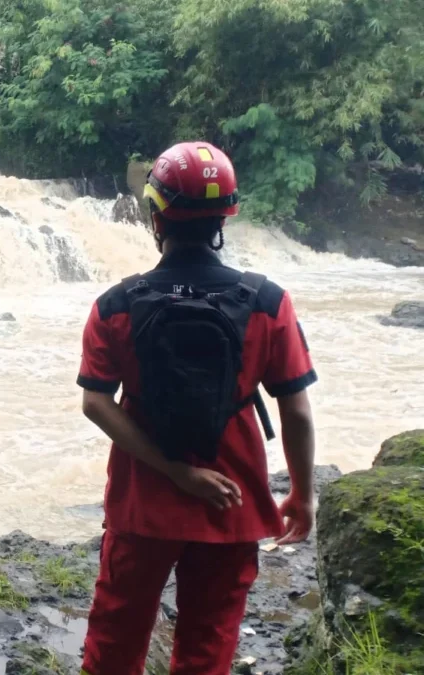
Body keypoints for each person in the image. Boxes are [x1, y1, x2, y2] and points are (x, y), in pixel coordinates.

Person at [76, 142, 318, 675]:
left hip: (143, 502)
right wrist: (302, 493)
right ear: (225, 217)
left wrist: (176, 473)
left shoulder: (115, 305)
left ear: (155, 215)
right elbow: (296, 412)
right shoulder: (267, 302)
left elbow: (97, 402)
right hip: (229, 501)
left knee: (114, 643)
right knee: (207, 649)